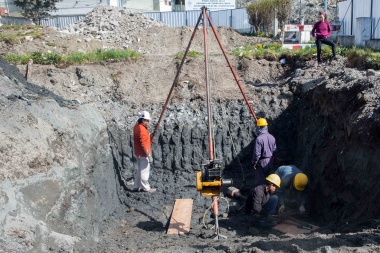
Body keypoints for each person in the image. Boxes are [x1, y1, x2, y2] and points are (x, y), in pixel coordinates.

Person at [133, 111, 156, 193]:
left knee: (139, 170)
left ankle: (136, 186)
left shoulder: (137, 126)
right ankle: (146, 188)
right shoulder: (142, 129)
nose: (148, 122)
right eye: (147, 120)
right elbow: (143, 144)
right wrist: (148, 155)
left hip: (138, 153)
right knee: (144, 172)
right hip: (143, 154)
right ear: (142, 120)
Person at [251, 118, 276, 186]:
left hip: (262, 162)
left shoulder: (259, 139)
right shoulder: (272, 137)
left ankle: (260, 195)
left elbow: (257, 154)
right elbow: (274, 150)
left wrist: (254, 162)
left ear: (259, 127)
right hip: (270, 161)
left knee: (260, 182)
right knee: (269, 180)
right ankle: (268, 195)